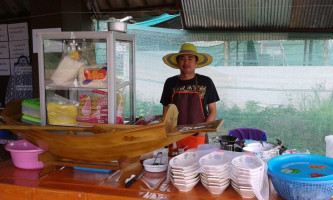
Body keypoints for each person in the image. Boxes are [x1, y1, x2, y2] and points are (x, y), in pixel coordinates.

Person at [160, 43, 220, 150]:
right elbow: (166, 112)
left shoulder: (206, 82)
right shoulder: (170, 83)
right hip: (175, 137)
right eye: (182, 59)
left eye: (190, 59)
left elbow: (212, 111)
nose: (186, 62)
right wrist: (170, 134)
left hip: (199, 136)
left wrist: (202, 132)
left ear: (196, 62)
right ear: (178, 62)